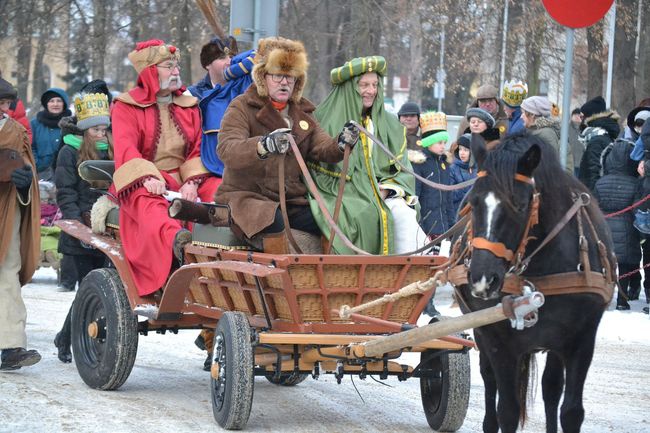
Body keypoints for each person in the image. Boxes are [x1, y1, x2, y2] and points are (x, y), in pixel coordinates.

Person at [215, 37, 354, 253]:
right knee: (272, 221)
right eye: (278, 75)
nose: (284, 82)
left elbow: (323, 147)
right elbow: (227, 149)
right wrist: (263, 146)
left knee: (331, 221)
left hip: (291, 202)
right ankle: (281, 281)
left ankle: (328, 278)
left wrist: (341, 142)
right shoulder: (242, 106)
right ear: (263, 76)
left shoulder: (302, 112)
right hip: (248, 198)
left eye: (290, 77)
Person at [111, 39, 220, 297]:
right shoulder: (126, 106)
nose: (176, 72)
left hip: (185, 178)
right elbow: (126, 147)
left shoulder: (189, 105)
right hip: (143, 179)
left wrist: (192, 182)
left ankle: (224, 257)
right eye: (168, 66)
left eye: (176, 66)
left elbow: (198, 147)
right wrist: (147, 177)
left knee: (219, 190)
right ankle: (177, 245)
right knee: (149, 205)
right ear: (150, 72)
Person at [309, 56, 425, 255]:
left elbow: (403, 172)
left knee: (403, 213)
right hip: (341, 195)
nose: (371, 91)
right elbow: (317, 174)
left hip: (383, 195)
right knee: (363, 214)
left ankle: (409, 278)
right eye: (364, 85)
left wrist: (388, 190)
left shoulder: (392, 125)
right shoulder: (322, 120)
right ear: (349, 87)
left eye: (375, 85)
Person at [52, 91, 113, 363]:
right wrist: (79, 228)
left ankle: (66, 337)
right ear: (85, 130)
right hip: (80, 233)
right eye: (96, 130)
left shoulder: (110, 150)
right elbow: (65, 192)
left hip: (104, 229)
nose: (101, 134)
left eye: (104, 129)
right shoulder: (68, 150)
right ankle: (66, 340)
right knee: (85, 292)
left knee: (95, 293)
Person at [0, 80, 41, 371]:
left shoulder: (16, 132)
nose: (4, 109)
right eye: (0, 103)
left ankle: (11, 346)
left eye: (6, 104)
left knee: (7, 271)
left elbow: (28, 171)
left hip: (8, 208)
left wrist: (25, 185)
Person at [593, 139, 641, 310]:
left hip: (604, 229)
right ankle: (622, 299)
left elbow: (595, 207)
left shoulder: (600, 182)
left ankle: (603, 296)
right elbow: (636, 209)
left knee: (604, 264)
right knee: (625, 265)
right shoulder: (635, 184)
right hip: (627, 231)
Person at [198, 48, 255, 178]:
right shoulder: (196, 96)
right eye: (222, 58)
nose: (229, 62)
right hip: (217, 173)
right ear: (207, 64)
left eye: (231, 58)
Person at [409, 111, 455, 238]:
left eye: (444, 143)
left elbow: (448, 199)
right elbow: (415, 199)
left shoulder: (444, 164)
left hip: (444, 228)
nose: (443, 146)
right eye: (439, 142)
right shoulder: (419, 164)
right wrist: (421, 228)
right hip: (426, 229)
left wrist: (452, 226)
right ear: (429, 142)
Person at [578, 96, 621, 192]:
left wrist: (592, 197)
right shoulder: (602, 135)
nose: (579, 120)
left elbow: (595, 172)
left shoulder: (597, 140)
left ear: (588, 117)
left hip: (591, 193)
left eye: (581, 116)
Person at [520, 95, 573, 173]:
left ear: (532, 115)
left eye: (523, 113)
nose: (521, 116)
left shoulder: (545, 134)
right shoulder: (534, 131)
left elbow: (548, 166)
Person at [30, 87, 71, 180]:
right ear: (46, 104)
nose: (55, 104)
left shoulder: (71, 124)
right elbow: (30, 147)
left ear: (64, 103)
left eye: (59, 101)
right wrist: (37, 164)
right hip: (40, 174)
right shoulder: (35, 124)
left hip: (66, 174)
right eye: (51, 101)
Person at [448, 133, 477, 214]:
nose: (462, 153)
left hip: (476, 213)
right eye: (460, 149)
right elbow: (449, 195)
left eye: (466, 150)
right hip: (458, 213)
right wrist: (466, 190)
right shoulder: (452, 169)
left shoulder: (480, 168)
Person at [0, 76, 32, 141]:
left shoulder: (15, 127)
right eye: (1, 103)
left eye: (9, 103)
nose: (6, 109)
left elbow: (25, 138)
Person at [569, 108, 584, 177]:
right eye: (575, 115)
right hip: (570, 161)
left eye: (579, 116)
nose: (577, 117)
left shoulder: (584, 128)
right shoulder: (566, 127)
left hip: (581, 162)